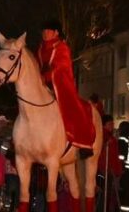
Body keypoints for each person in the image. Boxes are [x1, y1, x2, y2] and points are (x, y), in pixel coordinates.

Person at [38, 19, 95, 158]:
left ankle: (83, 142)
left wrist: (45, 76)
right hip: (42, 84)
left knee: (73, 108)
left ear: (56, 32)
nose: (45, 33)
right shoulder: (40, 49)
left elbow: (61, 67)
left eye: (48, 30)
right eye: (43, 31)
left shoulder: (61, 47)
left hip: (60, 84)